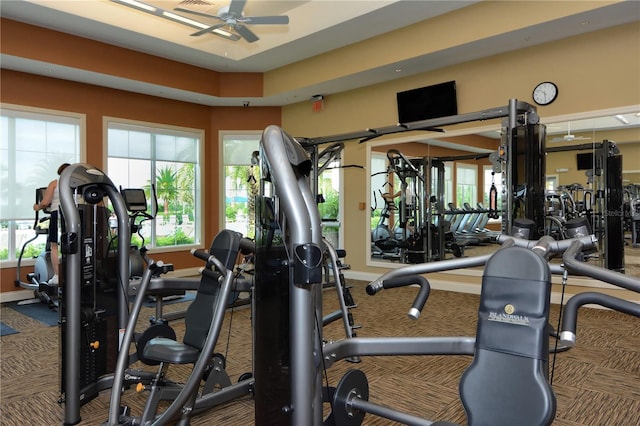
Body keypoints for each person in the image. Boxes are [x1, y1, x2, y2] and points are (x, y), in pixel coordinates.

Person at [33, 163, 70, 285]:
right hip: (72, 216)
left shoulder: (55, 183)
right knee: (70, 245)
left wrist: (37, 207)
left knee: (54, 246)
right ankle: (71, 274)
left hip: (57, 214)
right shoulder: (76, 185)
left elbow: (45, 202)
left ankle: (57, 276)